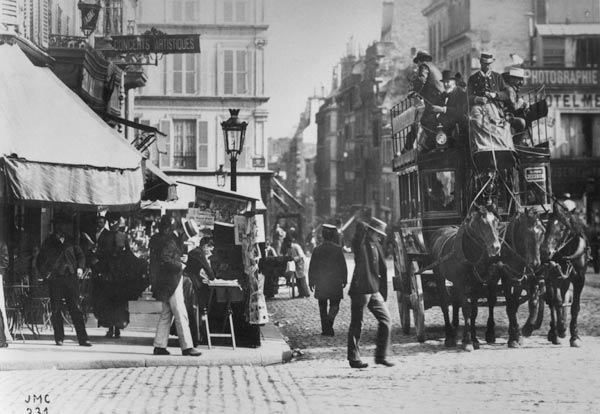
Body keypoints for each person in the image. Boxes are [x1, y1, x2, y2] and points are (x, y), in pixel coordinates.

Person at [149, 215, 201, 356]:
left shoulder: (169, 239)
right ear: (183, 232)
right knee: (180, 313)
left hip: (166, 281)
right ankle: (187, 347)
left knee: (166, 314)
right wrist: (180, 265)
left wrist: (179, 258)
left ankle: (159, 346)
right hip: (172, 281)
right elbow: (165, 259)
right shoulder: (171, 241)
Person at [37, 218, 91, 347]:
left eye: (63, 225)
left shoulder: (71, 241)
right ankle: (59, 338)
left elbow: (81, 256)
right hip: (55, 279)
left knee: (76, 309)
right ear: (54, 227)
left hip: (70, 278)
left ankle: (83, 339)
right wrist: (46, 274)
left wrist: (79, 268)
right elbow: (39, 261)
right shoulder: (49, 241)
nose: (61, 228)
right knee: (56, 309)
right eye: (58, 225)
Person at [347, 218, 393, 368]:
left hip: (374, 290)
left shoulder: (377, 245)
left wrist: (383, 293)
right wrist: (366, 227)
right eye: (378, 233)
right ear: (370, 232)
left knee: (386, 320)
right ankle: (354, 358)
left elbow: (383, 270)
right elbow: (359, 229)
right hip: (361, 290)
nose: (380, 237)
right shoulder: (361, 243)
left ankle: (381, 356)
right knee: (357, 324)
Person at [94, 212, 130, 339]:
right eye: (112, 221)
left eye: (116, 221)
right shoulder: (104, 236)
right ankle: (110, 327)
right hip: (107, 274)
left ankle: (118, 327)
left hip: (120, 274)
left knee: (119, 302)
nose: (114, 224)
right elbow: (99, 254)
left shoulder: (123, 236)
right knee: (108, 302)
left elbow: (129, 255)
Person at [308, 224, 347, 336]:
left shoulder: (317, 250)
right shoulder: (338, 250)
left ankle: (326, 329)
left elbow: (312, 267)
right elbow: (343, 266)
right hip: (335, 282)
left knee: (322, 306)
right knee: (335, 305)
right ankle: (329, 321)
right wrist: (344, 279)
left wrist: (311, 281)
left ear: (323, 236)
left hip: (322, 282)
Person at [182, 234, 215, 347]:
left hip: (189, 280)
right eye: (210, 247)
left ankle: (195, 336)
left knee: (191, 309)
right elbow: (208, 269)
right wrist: (213, 278)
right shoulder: (199, 253)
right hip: (190, 282)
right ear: (205, 246)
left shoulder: (195, 251)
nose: (210, 249)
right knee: (193, 309)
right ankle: (194, 338)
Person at [411, 50, 444, 152]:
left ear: (420, 60)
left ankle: (434, 144)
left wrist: (414, 91)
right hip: (440, 97)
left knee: (425, 120)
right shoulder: (434, 67)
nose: (418, 65)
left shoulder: (424, 66)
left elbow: (421, 80)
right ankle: (435, 142)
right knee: (435, 121)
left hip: (433, 98)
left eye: (418, 63)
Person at [431, 70, 468, 145]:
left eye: (448, 82)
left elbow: (461, 112)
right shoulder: (444, 95)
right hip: (443, 129)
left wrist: (443, 109)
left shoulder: (460, 93)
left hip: (458, 129)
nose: (445, 84)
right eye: (444, 82)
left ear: (454, 82)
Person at [501, 67, 530, 145]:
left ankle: (520, 141)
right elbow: (513, 107)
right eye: (519, 79)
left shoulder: (512, 89)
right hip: (504, 117)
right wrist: (521, 103)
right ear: (512, 79)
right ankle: (516, 143)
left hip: (507, 115)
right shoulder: (509, 90)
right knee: (521, 122)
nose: (521, 82)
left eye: (522, 79)